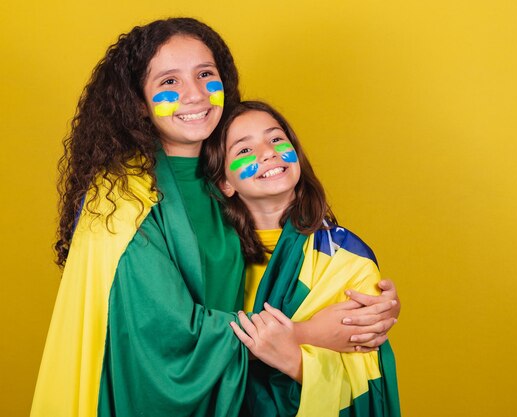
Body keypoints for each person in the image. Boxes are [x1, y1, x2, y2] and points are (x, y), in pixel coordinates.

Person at [32, 18, 400, 417]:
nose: (194, 95)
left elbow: (291, 267)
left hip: (237, 401)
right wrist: (307, 334)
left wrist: (367, 304)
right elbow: (167, 334)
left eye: (205, 74)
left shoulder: (226, 181)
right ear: (138, 102)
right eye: (168, 82)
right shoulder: (122, 200)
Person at [206, 100, 401, 416]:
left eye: (276, 139)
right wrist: (304, 334)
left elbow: (366, 384)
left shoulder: (347, 260)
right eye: (243, 150)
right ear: (224, 182)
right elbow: (191, 347)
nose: (268, 152)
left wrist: (293, 360)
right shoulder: (211, 262)